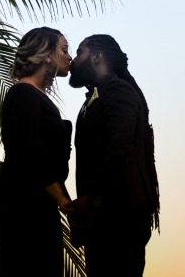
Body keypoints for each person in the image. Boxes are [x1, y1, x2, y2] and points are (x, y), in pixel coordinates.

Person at [68, 34, 159, 276]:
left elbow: (118, 147)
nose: (73, 61)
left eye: (79, 53)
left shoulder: (117, 90)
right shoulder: (95, 97)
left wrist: (92, 197)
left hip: (120, 217)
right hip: (104, 217)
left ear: (97, 56)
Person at [0, 27, 74, 276]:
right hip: (24, 201)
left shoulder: (35, 96)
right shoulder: (23, 93)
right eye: (64, 49)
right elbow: (29, 151)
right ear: (46, 55)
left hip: (38, 199)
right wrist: (62, 199)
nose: (69, 57)